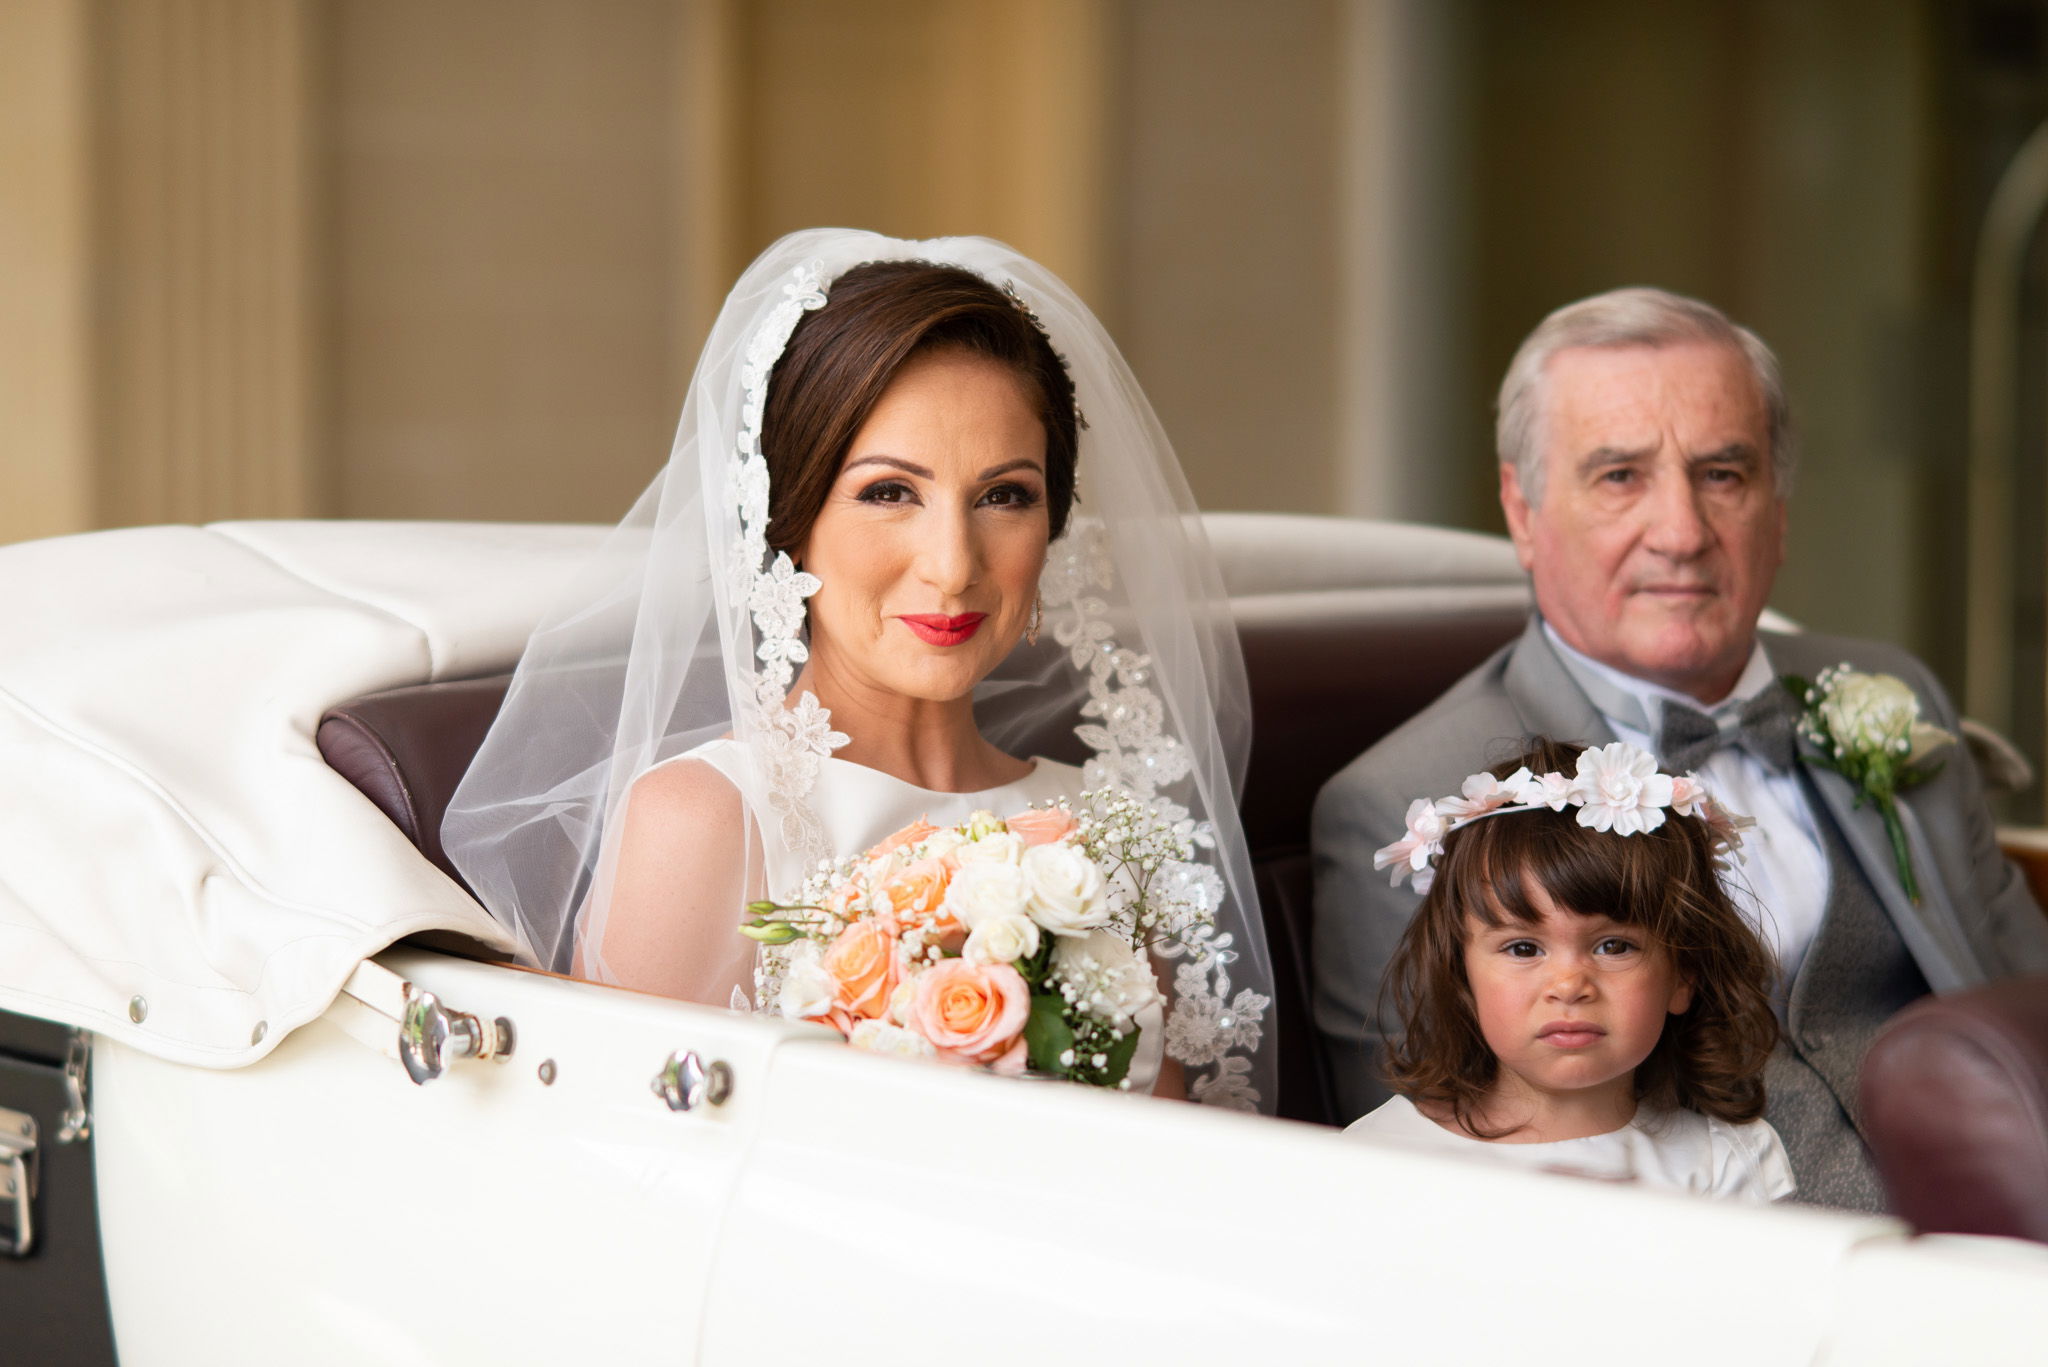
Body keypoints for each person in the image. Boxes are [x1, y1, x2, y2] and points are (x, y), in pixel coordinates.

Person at [444, 230, 1275, 1111]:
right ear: (787, 515)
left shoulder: (1094, 833)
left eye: (1005, 495)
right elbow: (624, 1171)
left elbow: (1186, 1153)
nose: (953, 565)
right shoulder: (708, 821)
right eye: (889, 492)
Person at [1314, 286, 2048, 1208]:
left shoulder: (1889, 689)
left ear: (1778, 510)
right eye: (1620, 476)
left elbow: (2027, 990)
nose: (1682, 533)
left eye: (1723, 475)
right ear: (1523, 509)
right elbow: (1434, 1180)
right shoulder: (1412, 802)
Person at [1342, 739, 1794, 1203]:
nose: (1569, 985)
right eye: (1523, 948)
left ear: (1683, 975)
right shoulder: (1379, 1159)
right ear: (1461, 972)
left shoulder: (1726, 1164)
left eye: (1614, 946)